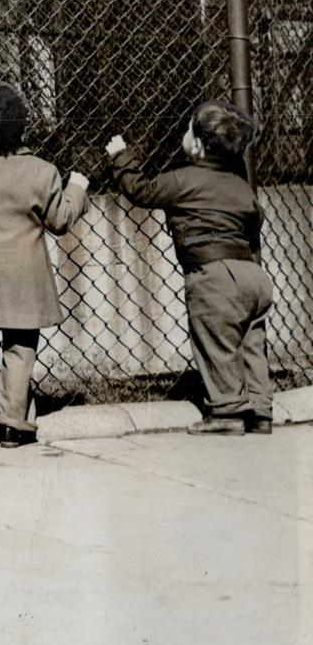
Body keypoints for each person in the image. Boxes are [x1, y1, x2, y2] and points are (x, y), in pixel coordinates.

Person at [106, 101, 273, 435]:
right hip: (254, 276)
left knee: (215, 340)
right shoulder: (241, 186)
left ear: (197, 144)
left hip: (213, 274)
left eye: (188, 129)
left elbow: (142, 190)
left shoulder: (182, 180)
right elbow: (256, 220)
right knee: (251, 343)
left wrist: (121, 156)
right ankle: (260, 410)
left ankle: (226, 411)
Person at [0, 82, 89, 447]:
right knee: (21, 347)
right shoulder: (42, 172)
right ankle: (12, 419)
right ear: (23, 124)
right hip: (25, 282)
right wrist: (78, 187)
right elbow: (59, 220)